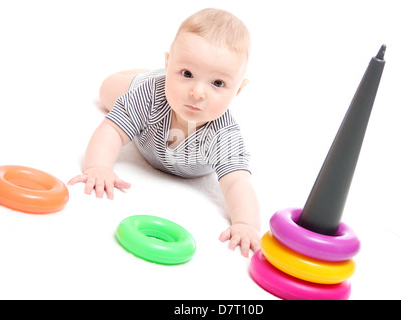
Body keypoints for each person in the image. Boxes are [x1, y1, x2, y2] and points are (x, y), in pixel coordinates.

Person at [68, 8, 260, 257]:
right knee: (107, 89)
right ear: (169, 63)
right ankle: (148, 74)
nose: (198, 92)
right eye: (187, 74)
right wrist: (99, 167)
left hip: (167, 89)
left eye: (218, 83)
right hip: (147, 86)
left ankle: (168, 76)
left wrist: (246, 224)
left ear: (238, 90)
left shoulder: (224, 134)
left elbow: (237, 182)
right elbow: (112, 130)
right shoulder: (149, 95)